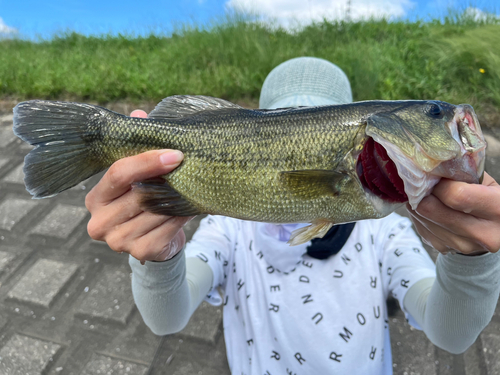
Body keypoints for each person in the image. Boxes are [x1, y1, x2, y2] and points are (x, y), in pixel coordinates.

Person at [85, 57, 500, 374]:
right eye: (432, 113)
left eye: (313, 117)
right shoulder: (227, 232)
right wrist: (159, 257)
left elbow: (452, 334)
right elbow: (166, 319)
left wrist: (472, 263)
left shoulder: (386, 234)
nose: (445, 119)